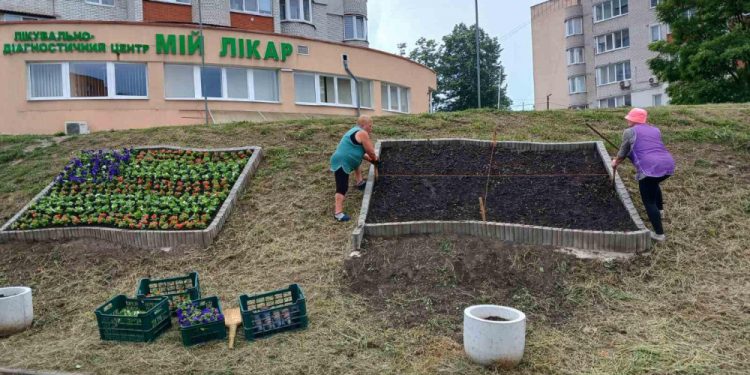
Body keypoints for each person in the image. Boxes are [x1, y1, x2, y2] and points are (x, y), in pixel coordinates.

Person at [612, 108, 675, 241]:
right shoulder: (655, 130)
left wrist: (616, 162)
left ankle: (659, 234)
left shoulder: (629, 131)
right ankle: (660, 211)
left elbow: (623, 151)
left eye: (629, 118)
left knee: (648, 201)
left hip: (649, 167)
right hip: (667, 163)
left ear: (634, 120)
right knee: (654, 183)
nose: (627, 119)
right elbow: (646, 146)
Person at [330, 115, 379, 222]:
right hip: (341, 162)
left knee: (357, 163)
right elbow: (370, 152)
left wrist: (372, 160)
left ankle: (360, 182)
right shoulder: (362, 133)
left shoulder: (354, 131)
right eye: (370, 126)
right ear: (364, 125)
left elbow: (358, 153)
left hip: (346, 159)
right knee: (342, 186)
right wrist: (376, 160)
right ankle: (338, 213)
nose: (371, 129)